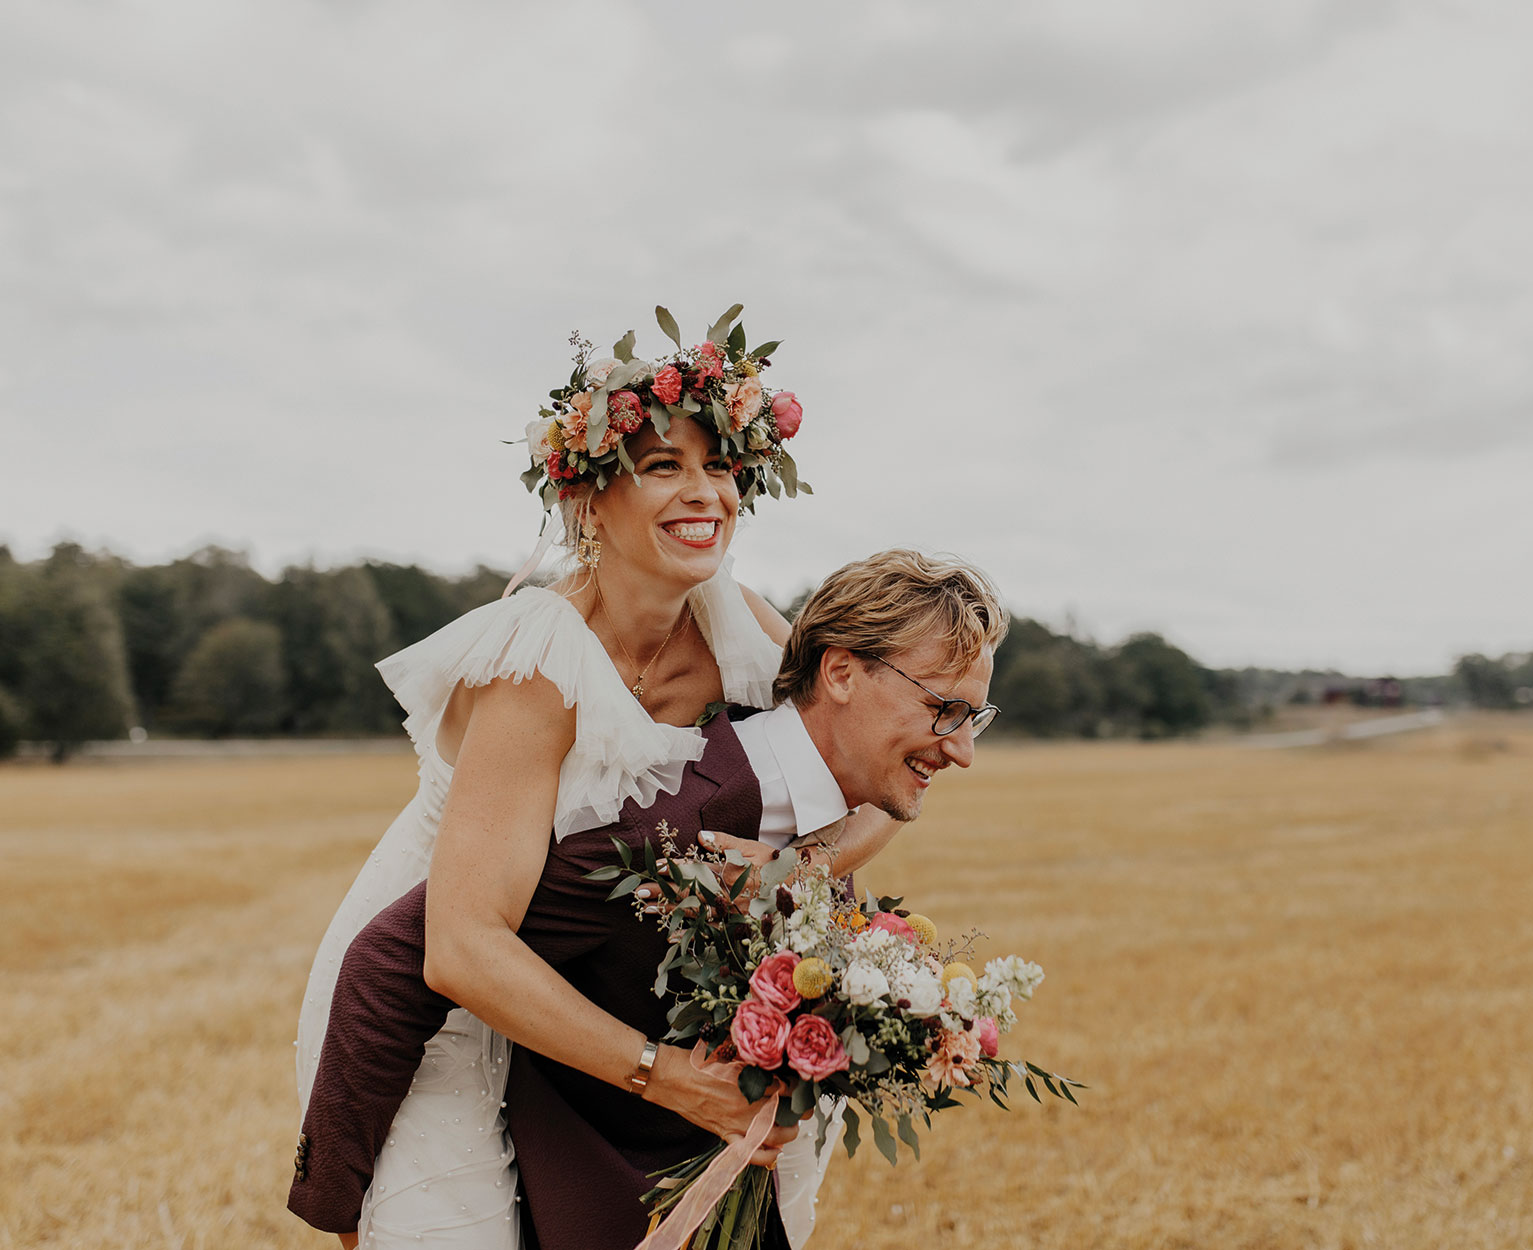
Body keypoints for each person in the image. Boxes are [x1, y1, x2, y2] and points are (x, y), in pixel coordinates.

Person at [293, 311, 908, 1248]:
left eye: (719, 466)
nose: (704, 493)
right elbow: (458, 948)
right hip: (448, 991)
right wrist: (669, 1074)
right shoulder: (536, 669)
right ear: (587, 502)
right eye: (663, 466)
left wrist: (792, 872)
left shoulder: (741, 626)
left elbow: (866, 782)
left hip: (601, 977)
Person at [290, 549, 1007, 1249]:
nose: (964, 750)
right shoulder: (665, 830)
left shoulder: (823, 808)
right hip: (594, 1181)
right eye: (944, 709)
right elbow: (392, 960)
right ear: (843, 673)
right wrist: (347, 1211)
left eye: (975, 718)